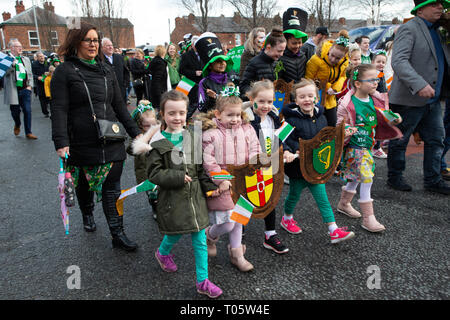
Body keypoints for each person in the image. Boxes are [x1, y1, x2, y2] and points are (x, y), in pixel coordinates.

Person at [50, 22, 142, 251]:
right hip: (81, 141)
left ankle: (117, 234)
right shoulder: (65, 71)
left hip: (111, 138)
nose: (93, 44)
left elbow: (119, 106)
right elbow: (59, 108)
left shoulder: (106, 70)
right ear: (76, 43)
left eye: (96, 40)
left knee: (113, 189)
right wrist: (61, 142)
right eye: (88, 40)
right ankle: (87, 212)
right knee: (84, 186)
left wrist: (138, 135)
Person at [147, 90, 223, 299]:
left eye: (181, 112)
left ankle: (203, 281)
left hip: (195, 198)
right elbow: (153, 173)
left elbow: (199, 169)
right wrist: (177, 177)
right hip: (173, 200)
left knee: (199, 239)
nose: (177, 117)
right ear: (162, 114)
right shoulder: (157, 143)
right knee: (175, 233)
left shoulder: (191, 136)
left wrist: (209, 187)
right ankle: (162, 253)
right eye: (172, 113)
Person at [387, 0, 450, 195]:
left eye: (442, 4)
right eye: (436, 4)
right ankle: (394, 177)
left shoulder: (440, 30)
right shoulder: (409, 28)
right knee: (400, 140)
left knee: (436, 139)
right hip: (409, 98)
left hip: (433, 99)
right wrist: (419, 83)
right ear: (421, 9)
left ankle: (433, 180)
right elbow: (399, 61)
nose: (441, 7)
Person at [281, 79, 355, 243]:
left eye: (310, 96)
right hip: (297, 167)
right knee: (293, 195)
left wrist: (344, 133)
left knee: (322, 197)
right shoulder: (290, 119)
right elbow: (282, 138)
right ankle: (287, 218)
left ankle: (333, 229)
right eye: (302, 97)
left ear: (316, 97)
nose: (306, 99)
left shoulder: (321, 117)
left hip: (315, 166)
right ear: (295, 100)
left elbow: (327, 138)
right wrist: (288, 151)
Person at [337, 64, 403, 232]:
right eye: (372, 79)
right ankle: (369, 218)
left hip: (368, 144)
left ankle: (344, 204)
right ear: (357, 84)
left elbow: (384, 115)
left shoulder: (375, 99)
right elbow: (339, 126)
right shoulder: (347, 104)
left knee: (356, 176)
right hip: (354, 146)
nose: (376, 82)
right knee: (367, 176)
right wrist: (346, 131)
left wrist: (394, 120)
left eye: (378, 78)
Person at [200, 89, 261, 271]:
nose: (235, 119)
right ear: (218, 114)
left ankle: (237, 254)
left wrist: (256, 163)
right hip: (224, 183)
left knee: (240, 218)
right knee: (227, 223)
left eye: (238, 115)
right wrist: (221, 179)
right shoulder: (210, 134)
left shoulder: (247, 128)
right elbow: (209, 162)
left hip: (243, 180)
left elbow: (255, 148)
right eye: (230, 115)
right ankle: (209, 235)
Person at [243, 80, 291, 254]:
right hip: (248, 167)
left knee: (270, 198)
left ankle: (270, 235)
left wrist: (285, 151)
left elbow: (281, 138)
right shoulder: (244, 119)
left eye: (270, 102)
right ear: (251, 98)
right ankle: (238, 230)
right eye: (261, 101)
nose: (266, 105)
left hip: (270, 166)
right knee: (245, 198)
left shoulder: (273, 117)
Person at [305, 32, 349, 126]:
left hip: (331, 100)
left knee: (332, 126)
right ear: (330, 49)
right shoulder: (316, 60)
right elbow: (308, 79)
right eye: (332, 55)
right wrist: (326, 86)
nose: (333, 60)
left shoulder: (344, 63)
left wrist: (335, 88)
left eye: (338, 58)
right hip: (316, 99)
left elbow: (343, 76)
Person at [128, 100, 160, 218]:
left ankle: (162, 207)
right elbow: (130, 149)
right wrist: (140, 143)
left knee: (162, 192)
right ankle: (155, 207)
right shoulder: (138, 137)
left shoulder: (159, 133)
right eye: (147, 126)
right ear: (140, 125)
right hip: (145, 172)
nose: (150, 128)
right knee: (152, 194)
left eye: (153, 124)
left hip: (159, 170)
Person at [240, 27, 287, 99]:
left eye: (283, 51)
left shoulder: (277, 63)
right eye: (279, 51)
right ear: (268, 47)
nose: (282, 54)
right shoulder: (254, 63)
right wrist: (256, 94)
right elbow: (244, 86)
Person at [3, 39, 37, 139]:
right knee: (15, 111)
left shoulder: (25, 59)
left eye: (20, 46)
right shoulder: (6, 59)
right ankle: (17, 124)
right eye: (18, 46)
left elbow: (29, 74)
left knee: (27, 110)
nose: (21, 48)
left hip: (25, 88)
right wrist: (12, 65)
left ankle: (28, 132)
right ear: (12, 48)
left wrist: (30, 85)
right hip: (13, 89)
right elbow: (4, 73)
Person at [195, 32, 234, 113]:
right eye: (218, 61)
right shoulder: (204, 83)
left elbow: (234, 103)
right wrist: (212, 99)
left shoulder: (229, 80)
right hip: (212, 121)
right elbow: (201, 108)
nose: (222, 64)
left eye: (224, 61)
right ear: (210, 65)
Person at [278, 7, 308, 84]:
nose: (297, 46)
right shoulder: (280, 58)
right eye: (294, 43)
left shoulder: (303, 57)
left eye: (300, 42)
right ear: (286, 41)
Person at [179, 35, 204, 118]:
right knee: (194, 104)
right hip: (192, 84)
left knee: (201, 104)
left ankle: (199, 125)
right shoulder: (186, 55)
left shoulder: (204, 54)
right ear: (192, 45)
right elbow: (181, 70)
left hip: (203, 83)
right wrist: (194, 73)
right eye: (196, 44)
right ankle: (184, 120)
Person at [102, 38, 130, 103]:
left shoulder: (119, 57)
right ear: (102, 47)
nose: (110, 47)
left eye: (111, 45)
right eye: (108, 45)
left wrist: (126, 83)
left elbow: (126, 71)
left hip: (121, 90)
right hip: (107, 92)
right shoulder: (99, 59)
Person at [32, 52, 50, 117]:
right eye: (40, 56)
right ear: (37, 58)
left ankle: (52, 111)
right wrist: (38, 77)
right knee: (42, 99)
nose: (42, 57)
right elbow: (32, 74)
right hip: (40, 84)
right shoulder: (34, 64)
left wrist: (49, 73)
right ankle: (45, 112)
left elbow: (51, 70)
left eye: (42, 56)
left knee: (49, 98)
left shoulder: (47, 63)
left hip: (48, 84)